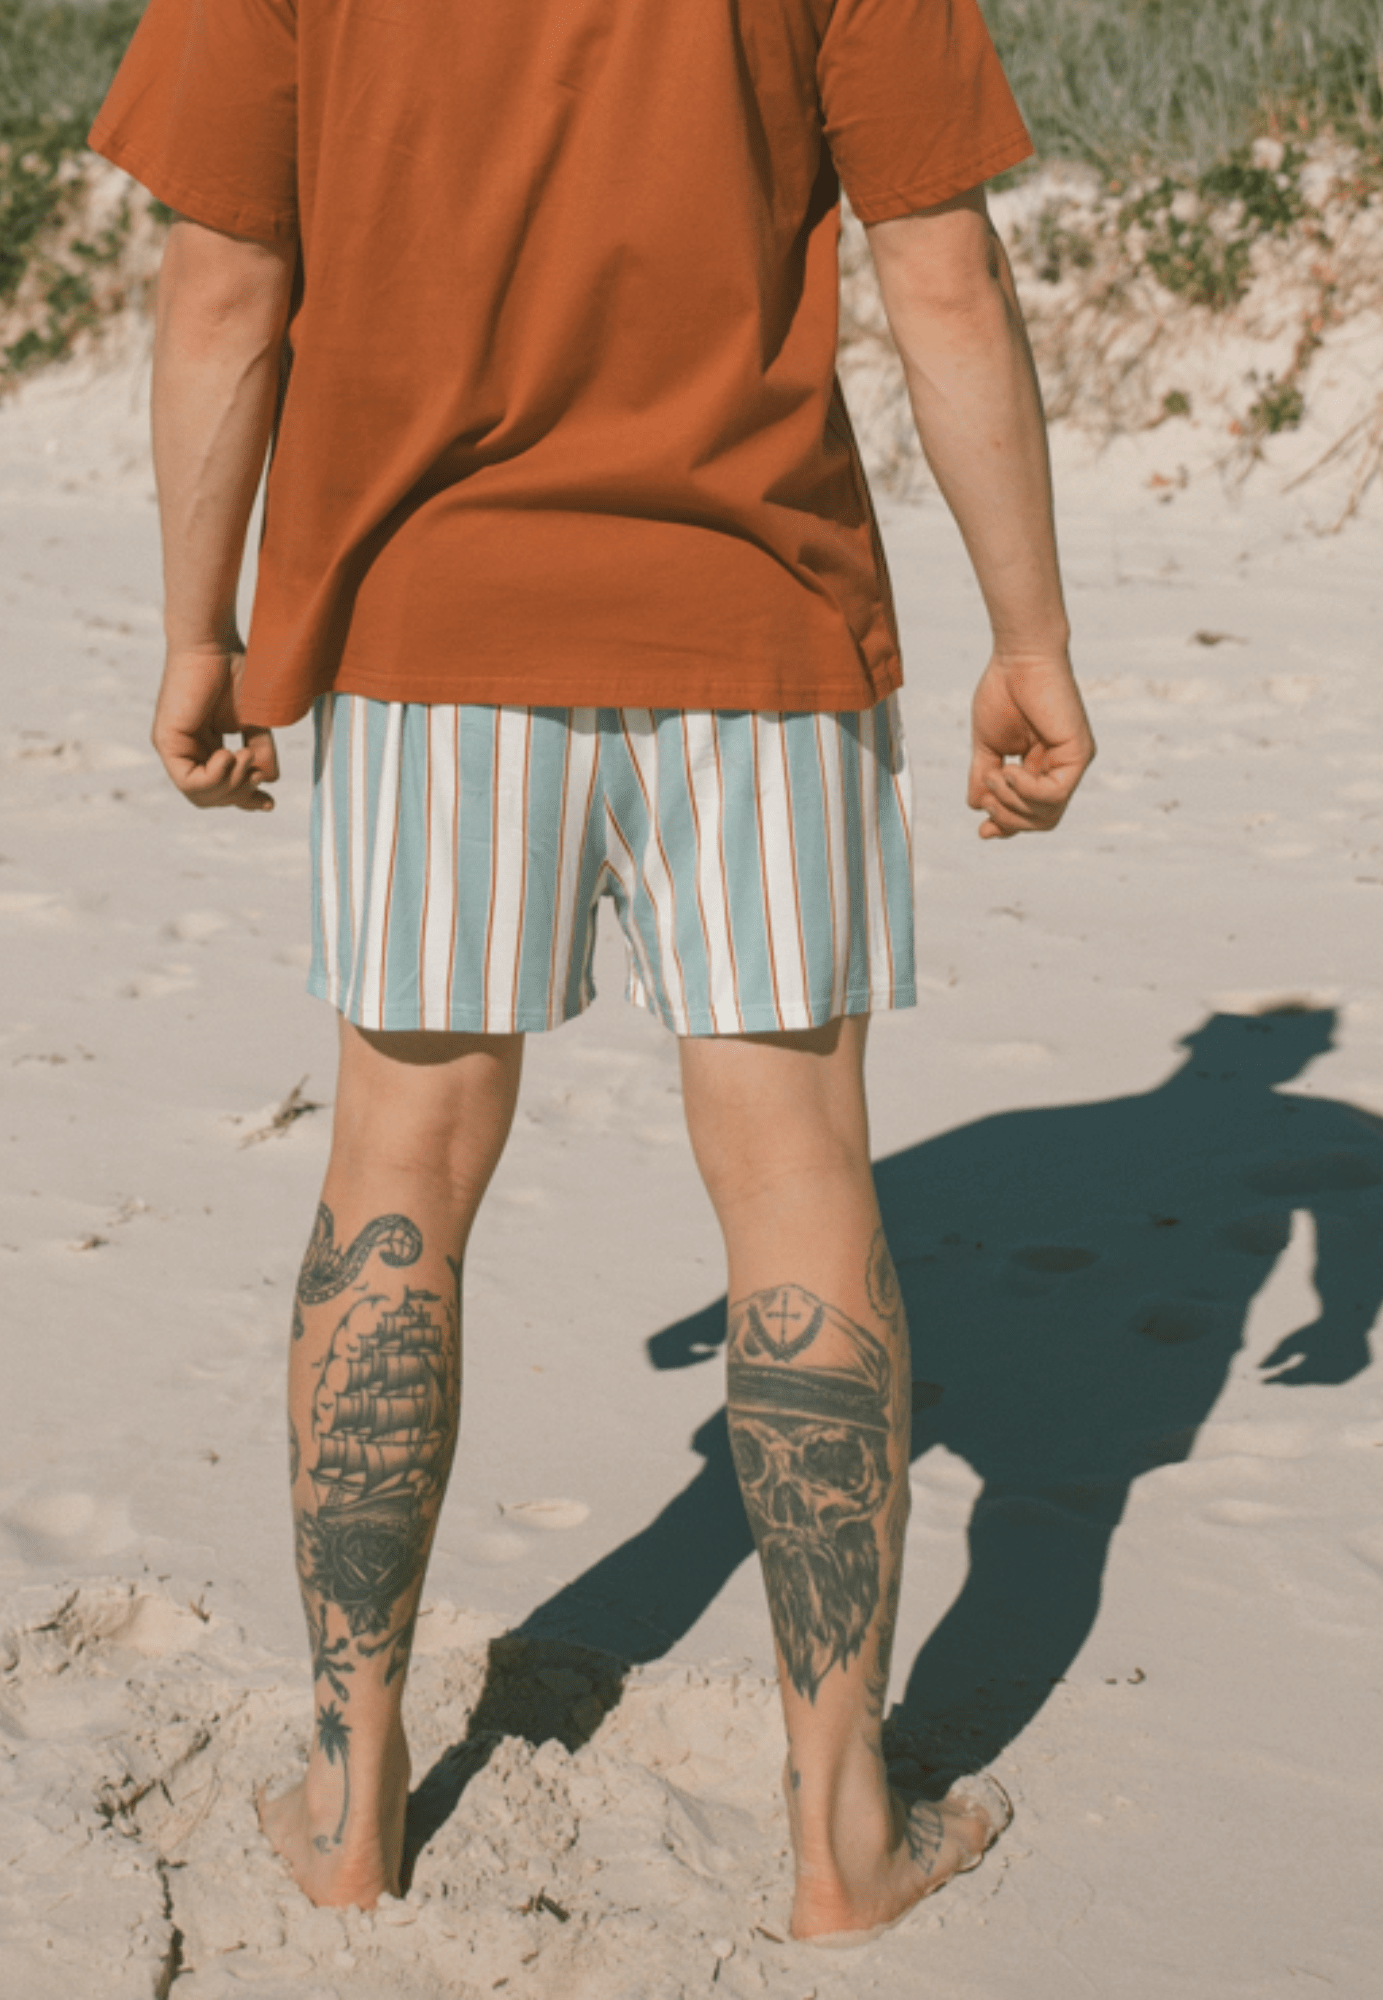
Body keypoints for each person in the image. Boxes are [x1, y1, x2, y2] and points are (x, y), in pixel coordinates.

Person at [90, 0, 1095, 1944]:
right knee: (796, 1166)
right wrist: (1027, 627)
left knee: (393, 1173)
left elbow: (222, 277)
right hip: (754, 611)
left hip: (424, 616)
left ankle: (355, 1785)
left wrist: (195, 626)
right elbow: (940, 265)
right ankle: (837, 1835)